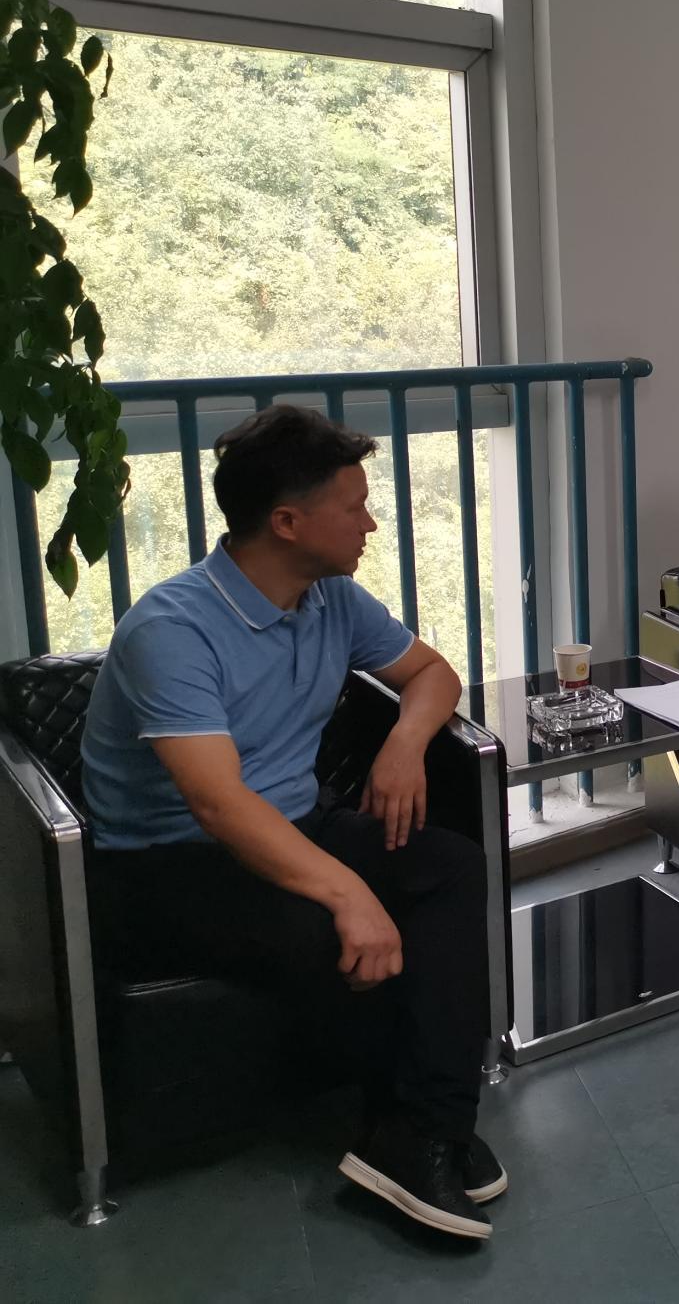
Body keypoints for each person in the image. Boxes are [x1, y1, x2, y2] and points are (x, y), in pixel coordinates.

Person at [80, 405, 505, 1240]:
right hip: (167, 862)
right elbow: (217, 803)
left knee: (450, 866)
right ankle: (426, 1130)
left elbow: (431, 673)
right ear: (286, 522)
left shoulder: (330, 597)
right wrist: (348, 892)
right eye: (354, 506)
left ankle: (420, 1130)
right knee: (331, 927)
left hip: (295, 821)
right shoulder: (172, 629)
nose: (371, 523)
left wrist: (404, 746)